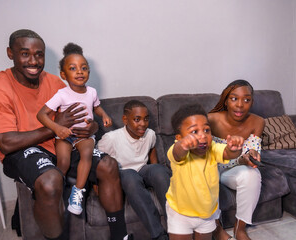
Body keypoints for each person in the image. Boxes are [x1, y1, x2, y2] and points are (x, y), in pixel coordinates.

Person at [0, 29, 132, 240]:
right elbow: (6, 143)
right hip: (21, 150)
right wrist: (54, 127)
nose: (34, 61)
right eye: (25, 53)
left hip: (61, 142)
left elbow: (80, 116)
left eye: (39, 54)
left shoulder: (54, 82)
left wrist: (93, 128)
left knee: (108, 166)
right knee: (50, 180)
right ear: (10, 53)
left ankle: (120, 235)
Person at [37, 42, 112, 215]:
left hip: (84, 135)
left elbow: (96, 107)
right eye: (73, 68)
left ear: (88, 72)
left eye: (84, 68)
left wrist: (105, 115)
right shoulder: (61, 95)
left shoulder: (92, 92)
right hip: (66, 134)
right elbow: (41, 115)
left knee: (86, 155)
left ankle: (77, 192)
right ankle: (56, 193)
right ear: (63, 74)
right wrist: (57, 128)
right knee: (63, 162)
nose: (79, 71)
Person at [166, 103, 245, 240]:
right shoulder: (177, 150)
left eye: (207, 130)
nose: (203, 136)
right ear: (179, 138)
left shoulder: (212, 148)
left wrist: (235, 149)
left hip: (207, 214)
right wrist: (183, 145)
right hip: (180, 213)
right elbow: (177, 152)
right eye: (194, 132)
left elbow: (227, 153)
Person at [97, 100, 170, 240]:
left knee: (159, 171)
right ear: (125, 119)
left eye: (146, 119)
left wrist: (155, 171)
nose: (142, 124)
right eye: (137, 120)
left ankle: (176, 228)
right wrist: (97, 187)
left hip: (142, 170)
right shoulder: (110, 138)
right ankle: (159, 235)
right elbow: (97, 163)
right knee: (130, 176)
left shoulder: (151, 134)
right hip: (123, 173)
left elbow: (152, 154)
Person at [207, 80, 265, 240]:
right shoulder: (211, 119)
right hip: (212, 168)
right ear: (226, 100)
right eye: (234, 98)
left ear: (252, 102)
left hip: (233, 169)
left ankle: (240, 228)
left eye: (246, 100)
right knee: (205, 172)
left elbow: (252, 147)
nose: (240, 105)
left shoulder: (258, 122)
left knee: (253, 174)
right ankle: (217, 230)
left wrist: (251, 155)